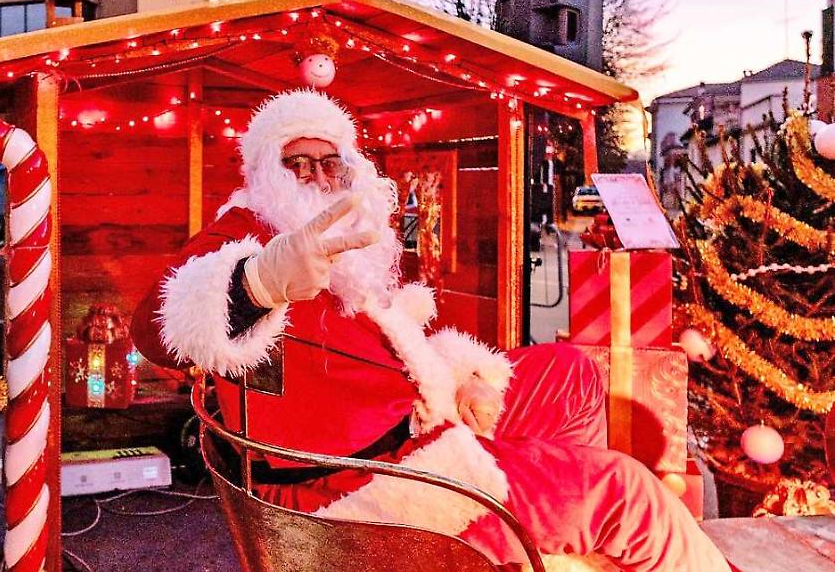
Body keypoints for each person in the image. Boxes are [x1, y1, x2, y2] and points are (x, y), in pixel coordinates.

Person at [131, 90, 730, 571]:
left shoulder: (347, 234)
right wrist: (259, 282)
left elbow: (383, 348)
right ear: (266, 171)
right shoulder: (246, 234)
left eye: (329, 160)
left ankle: (557, 537)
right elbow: (156, 329)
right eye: (297, 161)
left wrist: (460, 381)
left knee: (569, 372)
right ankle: (579, 516)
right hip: (365, 479)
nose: (317, 175)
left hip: (414, 414)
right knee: (627, 489)